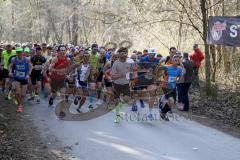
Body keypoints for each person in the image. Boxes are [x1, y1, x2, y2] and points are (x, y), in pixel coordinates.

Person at [158, 54, 185, 120]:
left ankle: (162, 112)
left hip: (173, 87)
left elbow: (182, 80)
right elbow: (159, 70)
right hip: (166, 86)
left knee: (172, 103)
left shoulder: (179, 69)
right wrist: (159, 77)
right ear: (172, 61)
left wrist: (178, 79)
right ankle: (162, 110)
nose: (176, 62)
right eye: (175, 60)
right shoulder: (167, 67)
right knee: (171, 100)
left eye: (178, 60)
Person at [8, 47, 33, 112]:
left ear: (22, 53)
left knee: (23, 94)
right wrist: (10, 72)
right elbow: (10, 66)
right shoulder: (14, 59)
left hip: (24, 78)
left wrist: (28, 74)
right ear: (16, 53)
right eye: (18, 52)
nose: (19, 53)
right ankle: (19, 106)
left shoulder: (27, 59)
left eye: (20, 52)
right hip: (16, 78)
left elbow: (31, 67)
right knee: (18, 92)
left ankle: (18, 100)